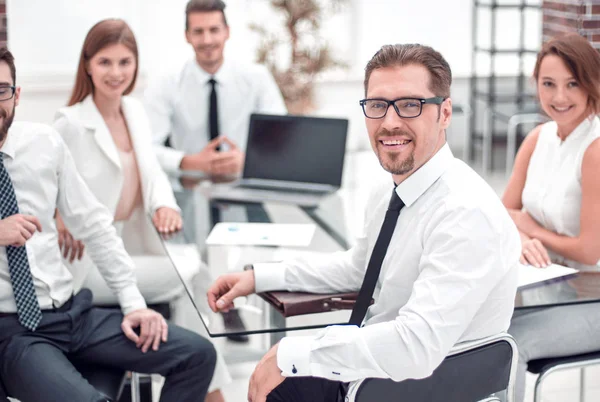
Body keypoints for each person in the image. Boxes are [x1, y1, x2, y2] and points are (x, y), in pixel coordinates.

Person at [207, 43, 521, 402]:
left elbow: (415, 346)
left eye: (409, 105)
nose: (389, 122)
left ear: (444, 113)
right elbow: (359, 267)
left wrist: (292, 355)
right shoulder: (392, 190)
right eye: (377, 106)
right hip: (374, 370)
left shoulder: (465, 213)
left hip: (414, 387)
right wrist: (259, 276)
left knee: (279, 379)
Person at [0, 46, 216, 402]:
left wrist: (133, 304)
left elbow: (96, 226)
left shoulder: (43, 143)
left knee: (197, 354)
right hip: (15, 330)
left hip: (73, 313)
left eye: (2, 89)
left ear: (17, 95)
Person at [51, 19, 231, 402]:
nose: (116, 73)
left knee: (191, 273)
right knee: (191, 276)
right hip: (88, 262)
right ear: (87, 65)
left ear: (135, 64)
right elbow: (43, 185)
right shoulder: (69, 124)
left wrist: (164, 204)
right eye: (105, 62)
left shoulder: (133, 111)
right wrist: (57, 217)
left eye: (124, 62)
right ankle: (212, 394)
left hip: (133, 245)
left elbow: (152, 174)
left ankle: (208, 389)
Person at [503, 33, 600, 402]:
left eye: (572, 84)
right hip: (549, 286)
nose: (559, 97)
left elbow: (589, 251)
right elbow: (501, 214)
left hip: (592, 296)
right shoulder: (537, 138)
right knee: (477, 322)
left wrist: (531, 229)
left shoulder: (595, 149)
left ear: (591, 83)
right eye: (549, 84)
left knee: (510, 343)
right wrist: (523, 237)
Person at [144, 0, 287, 176]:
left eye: (214, 30)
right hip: (188, 186)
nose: (207, 40)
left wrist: (249, 159)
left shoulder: (258, 78)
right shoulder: (166, 83)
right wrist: (189, 161)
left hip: (245, 183)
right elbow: (146, 148)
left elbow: (280, 140)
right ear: (187, 36)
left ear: (227, 32)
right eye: (198, 32)